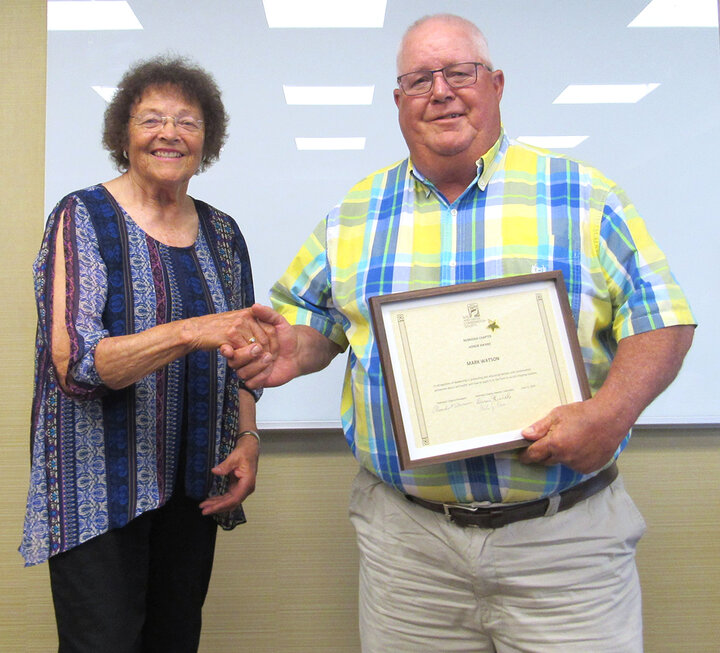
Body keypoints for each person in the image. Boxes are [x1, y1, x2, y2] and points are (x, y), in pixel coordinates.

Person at [227, 14, 696, 652]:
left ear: (496, 84)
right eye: (420, 79)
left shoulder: (584, 196)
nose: (441, 91)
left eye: (459, 73)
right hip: (408, 553)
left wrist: (611, 414)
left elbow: (663, 319)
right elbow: (310, 326)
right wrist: (292, 349)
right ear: (399, 102)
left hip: (565, 548)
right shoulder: (354, 215)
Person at [20, 56, 269, 652]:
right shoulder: (82, 216)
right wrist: (188, 332)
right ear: (122, 133)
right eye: (151, 119)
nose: (169, 133)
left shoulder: (224, 233)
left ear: (207, 140)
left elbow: (243, 352)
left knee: (176, 640)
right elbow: (76, 364)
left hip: (193, 483)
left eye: (188, 122)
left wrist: (250, 438)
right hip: (97, 492)